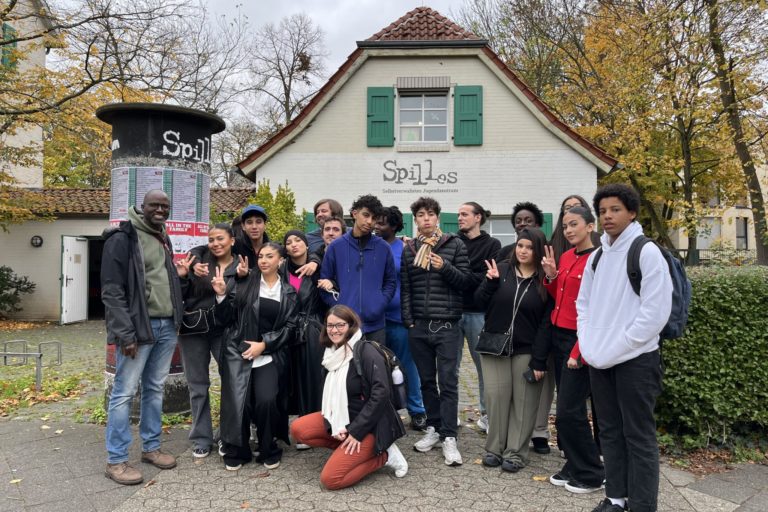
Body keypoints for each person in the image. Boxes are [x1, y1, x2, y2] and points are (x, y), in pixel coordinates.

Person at [577, 184, 672, 512]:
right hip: (600, 359)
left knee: (639, 436)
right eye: (602, 211)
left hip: (637, 360)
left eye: (615, 209)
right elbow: (584, 304)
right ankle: (616, 498)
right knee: (610, 432)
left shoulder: (646, 251)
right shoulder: (598, 256)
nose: (607, 216)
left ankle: (643, 505)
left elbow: (655, 313)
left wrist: (619, 346)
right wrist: (589, 345)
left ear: (632, 212)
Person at [101, 189, 183, 485]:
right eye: (155, 205)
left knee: (154, 389)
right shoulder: (122, 239)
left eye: (165, 206)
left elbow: (162, 280)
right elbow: (111, 291)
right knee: (123, 393)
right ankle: (116, 460)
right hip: (138, 330)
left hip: (166, 327)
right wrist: (125, 333)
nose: (160, 210)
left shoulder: (162, 236)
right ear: (142, 206)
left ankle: (151, 448)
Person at [290, 305, 408, 490]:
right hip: (342, 419)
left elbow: (381, 394)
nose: (334, 330)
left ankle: (384, 456)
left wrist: (356, 431)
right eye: (330, 325)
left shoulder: (366, 351)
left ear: (351, 325)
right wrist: (337, 424)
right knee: (299, 429)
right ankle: (349, 452)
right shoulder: (331, 354)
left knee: (331, 480)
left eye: (340, 325)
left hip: (371, 427)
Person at [473, 227, 552, 473]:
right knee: (496, 398)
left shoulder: (545, 280)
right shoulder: (502, 270)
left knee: (524, 402)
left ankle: (516, 453)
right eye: (520, 245)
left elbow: (547, 323)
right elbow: (479, 302)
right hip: (494, 346)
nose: (523, 251)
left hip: (527, 350)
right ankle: (494, 449)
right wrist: (489, 283)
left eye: (529, 247)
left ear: (538, 250)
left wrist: (539, 360)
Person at [214, 242, 298, 471]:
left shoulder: (288, 291)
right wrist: (222, 295)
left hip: (269, 354)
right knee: (238, 402)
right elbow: (226, 318)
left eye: (269, 256)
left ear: (280, 261)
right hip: (237, 351)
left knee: (267, 400)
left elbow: (291, 327)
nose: (263, 260)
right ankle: (237, 450)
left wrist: (265, 345)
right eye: (261, 256)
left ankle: (268, 447)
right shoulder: (245, 283)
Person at [401, 196, 470, 467]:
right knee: (427, 381)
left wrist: (445, 267)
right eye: (420, 215)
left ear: (438, 218)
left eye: (430, 214)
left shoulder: (454, 245)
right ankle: (433, 427)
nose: (426, 219)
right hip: (419, 325)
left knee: (449, 382)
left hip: (447, 325)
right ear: (415, 220)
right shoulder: (409, 249)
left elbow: (465, 281)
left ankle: (449, 436)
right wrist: (409, 320)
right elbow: (406, 287)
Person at [540, 206, 604, 493]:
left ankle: (592, 472)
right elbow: (560, 298)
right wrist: (552, 277)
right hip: (558, 336)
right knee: (566, 410)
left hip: (581, 341)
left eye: (574, 224)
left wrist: (578, 352)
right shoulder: (565, 256)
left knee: (569, 412)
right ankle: (576, 464)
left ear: (590, 226)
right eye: (565, 226)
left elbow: (596, 311)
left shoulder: (599, 260)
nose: (567, 230)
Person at [177, 224, 246, 459]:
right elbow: (182, 294)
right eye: (211, 239)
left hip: (225, 330)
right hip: (194, 330)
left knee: (231, 382)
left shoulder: (242, 266)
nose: (216, 243)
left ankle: (227, 435)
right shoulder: (200, 259)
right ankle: (201, 437)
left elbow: (243, 300)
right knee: (198, 385)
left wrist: (224, 292)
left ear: (232, 241)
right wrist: (184, 276)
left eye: (220, 239)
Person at [498, 201, 555, 454]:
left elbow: (548, 308)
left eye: (528, 220)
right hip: (506, 338)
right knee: (507, 392)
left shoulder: (547, 264)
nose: (523, 223)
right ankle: (506, 439)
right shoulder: (505, 257)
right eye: (519, 220)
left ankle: (537, 433)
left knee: (533, 391)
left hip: (534, 339)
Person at [374, 206, 427, 431]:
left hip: (399, 318)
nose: (377, 226)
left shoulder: (406, 248)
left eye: (382, 223)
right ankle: (384, 411)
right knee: (377, 368)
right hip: (374, 319)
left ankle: (417, 410)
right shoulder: (369, 247)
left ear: (395, 226)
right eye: (375, 222)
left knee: (407, 366)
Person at [318, 194, 396, 342]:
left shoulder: (383, 248)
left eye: (374, 218)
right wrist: (339, 306)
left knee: (375, 365)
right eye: (365, 215)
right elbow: (324, 282)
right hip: (345, 325)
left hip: (376, 325)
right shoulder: (336, 247)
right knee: (347, 365)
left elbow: (390, 282)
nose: (369, 222)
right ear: (354, 213)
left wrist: (379, 303)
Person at [456, 201, 501, 433]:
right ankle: (450, 414)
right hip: (452, 312)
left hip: (479, 313)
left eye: (464, 214)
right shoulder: (452, 242)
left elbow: (488, 278)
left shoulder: (493, 244)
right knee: (449, 367)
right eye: (459, 214)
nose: (460, 218)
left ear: (478, 217)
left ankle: (486, 415)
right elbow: (451, 275)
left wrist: (461, 275)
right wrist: (471, 275)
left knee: (484, 367)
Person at [282, 230, 325, 429]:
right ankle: (297, 423)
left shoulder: (318, 267)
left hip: (312, 327)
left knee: (312, 377)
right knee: (291, 378)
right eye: (289, 242)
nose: (294, 244)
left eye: (298, 240)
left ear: (307, 245)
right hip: (288, 328)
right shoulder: (282, 270)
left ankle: (312, 425)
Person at [549, 195, 602, 264]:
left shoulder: (600, 240)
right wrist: (552, 274)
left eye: (577, 206)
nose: (572, 210)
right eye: (567, 208)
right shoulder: (556, 241)